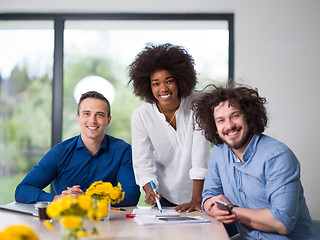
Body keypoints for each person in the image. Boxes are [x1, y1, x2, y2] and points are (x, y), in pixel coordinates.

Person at [192, 84, 320, 239]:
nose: (229, 125)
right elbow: (209, 195)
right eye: (221, 120)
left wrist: (231, 210)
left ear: (248, 116)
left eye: (235, 116)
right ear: (215, 126)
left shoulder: (277, 156)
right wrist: (212, 206)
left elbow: (282, 222)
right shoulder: (220, 152)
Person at [15, 91, 140, 206]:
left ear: (108, 120)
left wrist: (88, 199)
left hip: (108, 223)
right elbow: (22, 190)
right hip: (65, 223)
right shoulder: (60, 152)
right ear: (78, 118)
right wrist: (57, 199)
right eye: (86, 114)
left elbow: (131, 194)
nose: (92, 120)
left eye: (100, 115)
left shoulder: (123, 151)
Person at [127, 43, 211, 212]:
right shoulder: (141, 116)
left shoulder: (199, 104)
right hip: (166, 197)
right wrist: (149, 189)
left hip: (204, 193)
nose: (163, 88)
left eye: (169, 81)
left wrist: (197, 200)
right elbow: (143, 162)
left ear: (180, 81)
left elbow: (200, 154)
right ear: (148, 86)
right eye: (156, 83)